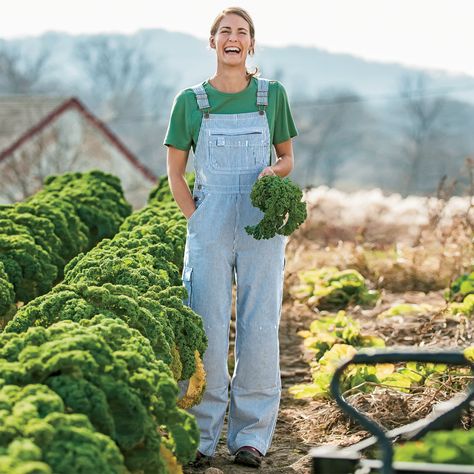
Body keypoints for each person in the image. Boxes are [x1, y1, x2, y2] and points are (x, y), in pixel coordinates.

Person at [164, 6, 298, 469]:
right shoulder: (191, 101)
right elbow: (175, 172)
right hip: (211, 220)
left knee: (260, 327)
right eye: (225, 31)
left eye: (242, 32)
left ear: (251, 44)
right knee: (206, 328)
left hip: (261, 220)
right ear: (213, 42)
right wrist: (196, 219)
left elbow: (286, 159)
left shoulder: (271, 96)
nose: (233, 38)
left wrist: (272, 171)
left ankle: (251, 437)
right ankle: (201, 436)